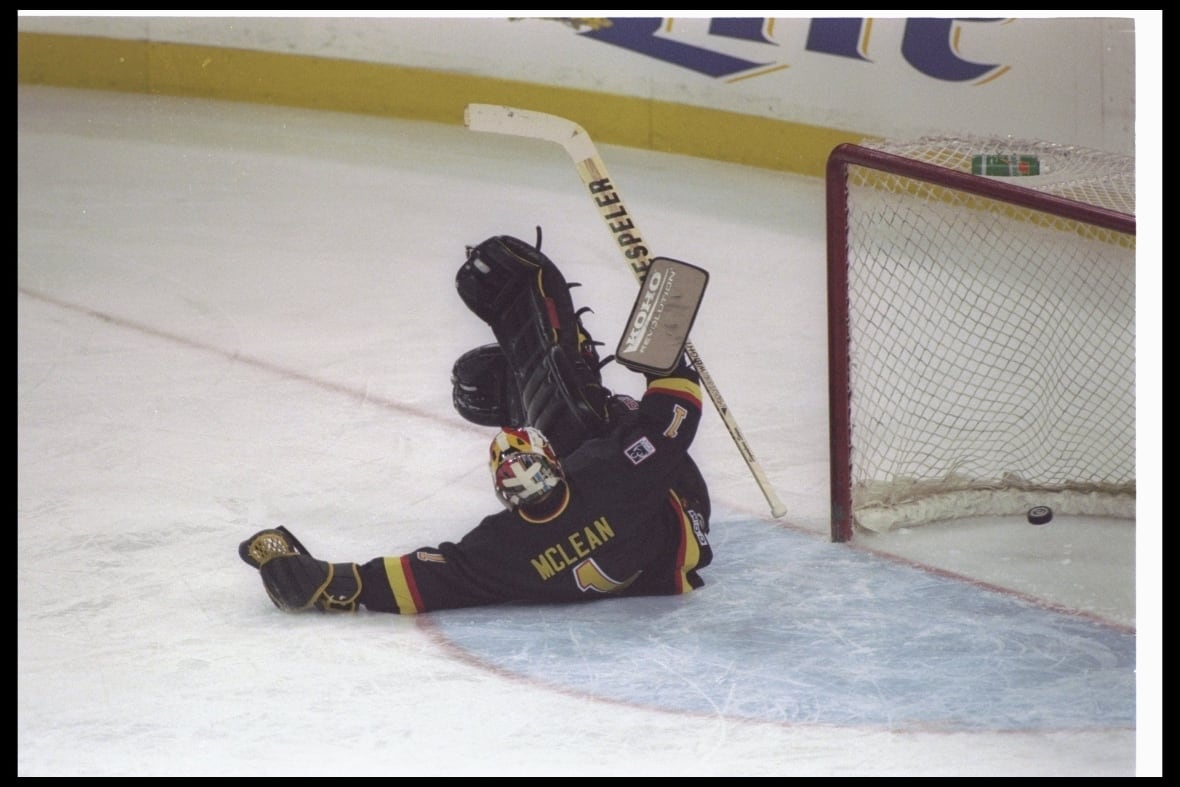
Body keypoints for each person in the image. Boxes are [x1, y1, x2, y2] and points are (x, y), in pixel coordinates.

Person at [239, 230, 712, 614]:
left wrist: (336, 582)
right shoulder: (612, 474)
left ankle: (541, 392)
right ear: (554, 464)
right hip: (676, 521)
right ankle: (564, 379)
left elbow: (426, 579)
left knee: (592, 430)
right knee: (590, 422)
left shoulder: (504, 549)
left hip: (637, 564)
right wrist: (667, 369)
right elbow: (671, 425)